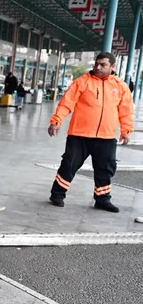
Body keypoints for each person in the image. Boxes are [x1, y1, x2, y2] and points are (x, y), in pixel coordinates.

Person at [48, 52, 134, 212]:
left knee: (105, 169)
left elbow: (126, 111)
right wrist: (56, 121)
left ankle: (102, 200)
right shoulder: (82, 82)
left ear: (112, 67)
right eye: (96, 64)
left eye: (103, 65)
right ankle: (57, 194)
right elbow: (66, 103)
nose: (98, 67)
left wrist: (126, 130)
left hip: (106, 136)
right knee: (69, 164)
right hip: (79, 135)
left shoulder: (120, 86)